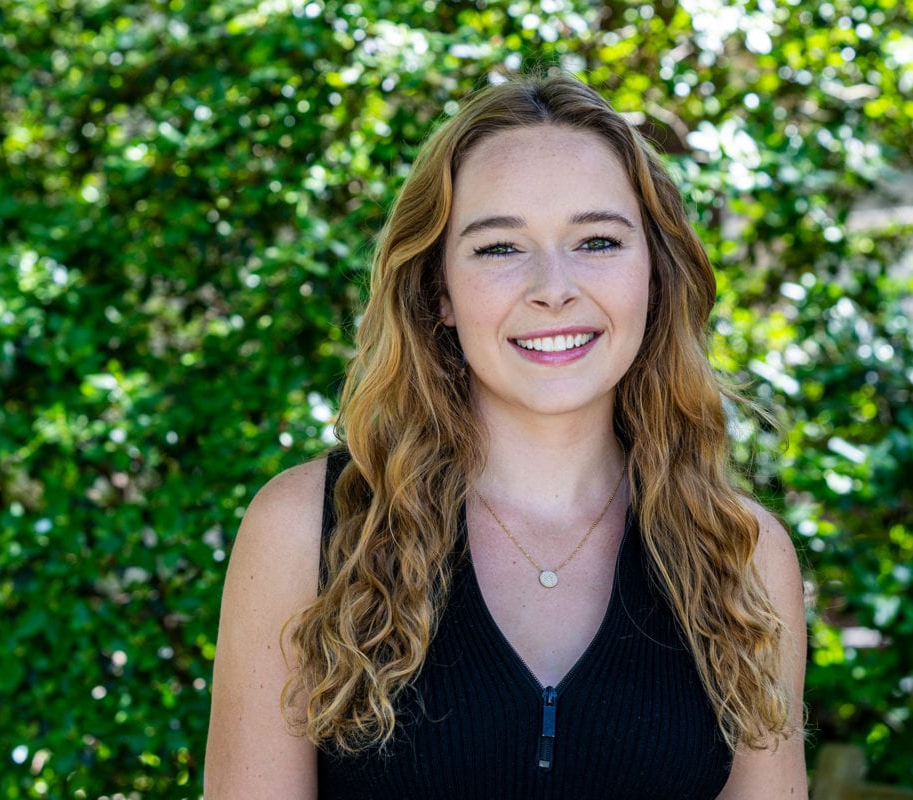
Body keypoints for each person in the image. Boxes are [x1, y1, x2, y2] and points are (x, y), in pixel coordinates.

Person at [204, 72, 807, 799]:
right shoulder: (304, 530)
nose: (554, 288)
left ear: (655, 271)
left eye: (597, 241)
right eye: (499, 249)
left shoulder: (743, 553)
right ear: (439, 293)